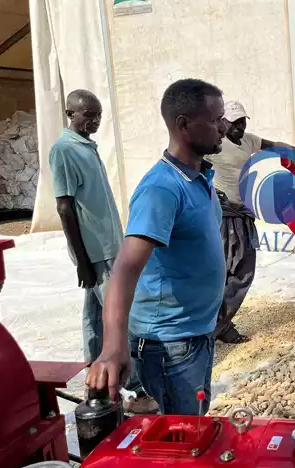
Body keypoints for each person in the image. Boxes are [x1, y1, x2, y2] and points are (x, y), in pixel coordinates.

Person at [86, 79, 227, 415]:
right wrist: (112, 347)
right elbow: (125, 269)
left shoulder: (199, 179)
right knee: (179, 441)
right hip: (169, 345)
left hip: (195, 335)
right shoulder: (162, 188)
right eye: (214, 120)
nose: (223, 128)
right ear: (183, 125)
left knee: (192, 428)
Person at [49, 90, 156, 413]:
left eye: (97, 115)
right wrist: (82, 260)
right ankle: (137, 389)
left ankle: (97, 386)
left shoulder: (85, 147)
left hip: (108, 246)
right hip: (95, 252)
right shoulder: (64, 150)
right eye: (88, 115)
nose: (94, 121)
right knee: (120, 317)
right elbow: (65, 207)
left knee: (96, 318)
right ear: (71, 113)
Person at [207, 100, 291, 344]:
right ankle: (214, 327)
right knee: (226, 271)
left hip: (243, 214)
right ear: (224, 122)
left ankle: (218, 324)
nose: (240, 128)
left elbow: (272, 145)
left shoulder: (246, 140)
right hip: (224, 215)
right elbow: (194, 167)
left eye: (243, 122)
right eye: (235, 123)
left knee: (243, 270)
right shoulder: (215, 144)